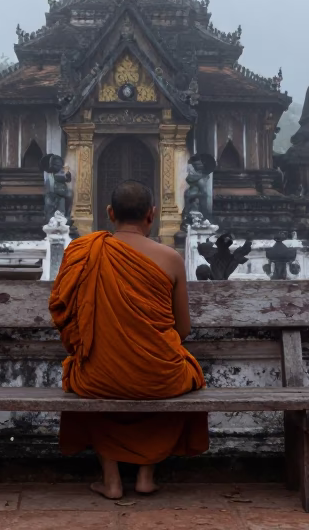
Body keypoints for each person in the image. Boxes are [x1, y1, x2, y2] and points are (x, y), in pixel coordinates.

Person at [49, 180, 208, 499]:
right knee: (174, 372)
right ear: (152, 215)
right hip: (160, 377)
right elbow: (184, 329)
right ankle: (146, 475)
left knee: (92, 373)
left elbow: (63, 314)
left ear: (110, 214)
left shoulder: (84, 251)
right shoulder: (171, 258)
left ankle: (111, 480)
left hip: (99, 378)